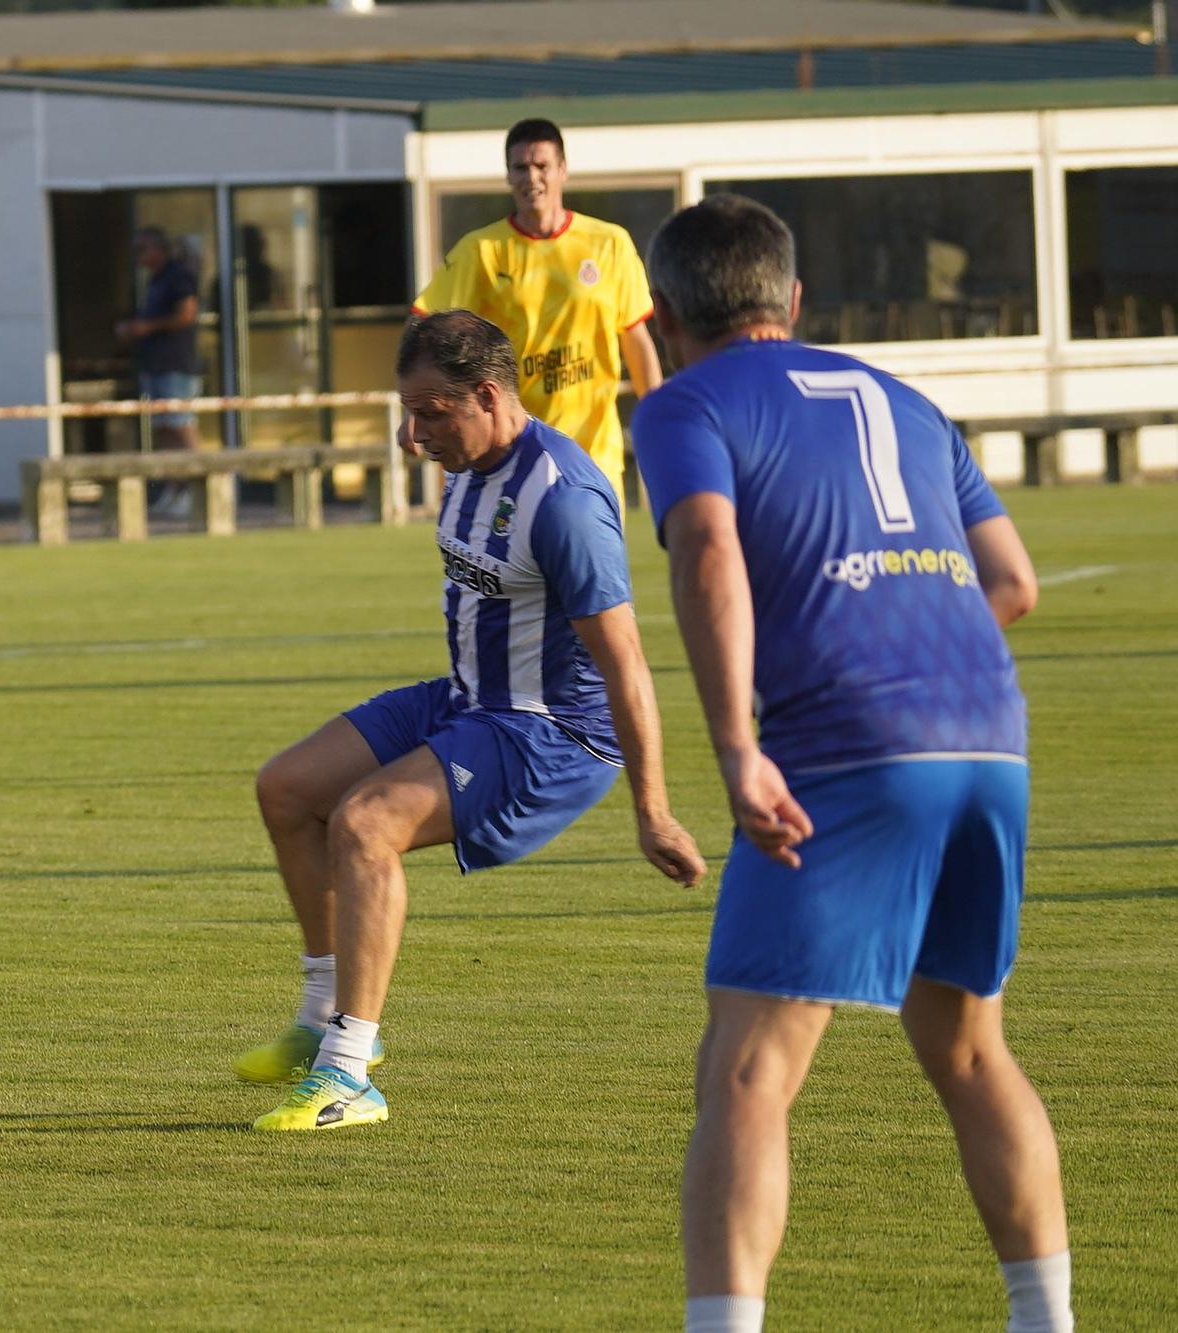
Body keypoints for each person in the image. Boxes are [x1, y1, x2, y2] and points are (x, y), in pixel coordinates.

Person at [630, 195, 1068, 1333]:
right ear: (793, 301)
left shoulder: (681, 403)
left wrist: (736, 746)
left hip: (846, 746)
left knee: (746, 1070)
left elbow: (710, 546)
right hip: (988, 737)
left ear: (663, 313)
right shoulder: (908, 400)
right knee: (968, 1049)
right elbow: (1010, 582)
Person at [238, 311, 704, 1132]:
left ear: (487, 396)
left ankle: (349, 1073)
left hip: (549, 731)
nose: (412, 435)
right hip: (470, 693)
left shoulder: (563, 501)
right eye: (406, 412)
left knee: (365, 824)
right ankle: (321, 1018)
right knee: (286, 788)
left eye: (430, 413)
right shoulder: (467, 459)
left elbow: (627, 660)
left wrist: (653, 808)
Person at [411, 118, 662, 502]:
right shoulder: (482, 251)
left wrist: (661, 416)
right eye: (520, 168)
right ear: (508, 176)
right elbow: (425, 327)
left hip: (594, 459)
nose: (532, 177)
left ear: (562, 170)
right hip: (513, 456)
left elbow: (635, 339)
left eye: (542, 166)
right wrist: (414, 410)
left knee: (592, 563)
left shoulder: (609, 244)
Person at [114, 227, 201, 518]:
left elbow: (187, 314)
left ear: (159, 249)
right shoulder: (155, 280)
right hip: (155, 365)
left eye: (143, 249)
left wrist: (145, 327)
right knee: (163, 429)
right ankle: (175, 489)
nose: (138, 257)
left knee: (181, 425)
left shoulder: (178, 275)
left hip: (176, 365)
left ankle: (199, 490)